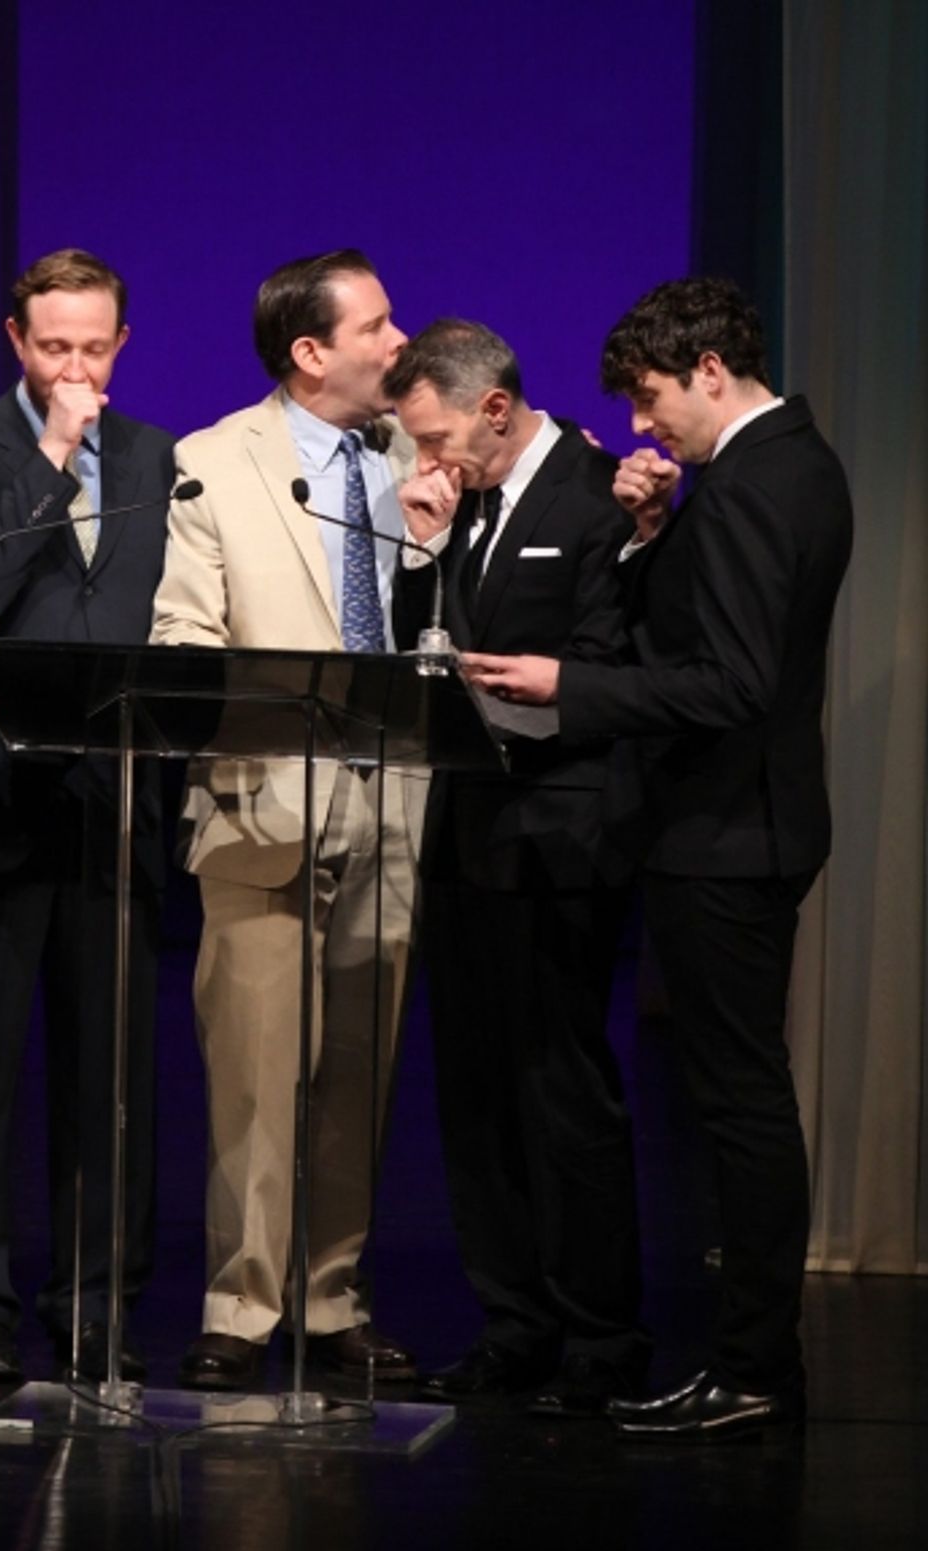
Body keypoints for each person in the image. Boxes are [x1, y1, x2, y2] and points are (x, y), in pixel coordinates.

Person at [464, 277, 853, 1441]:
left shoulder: (747, 486)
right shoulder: (790, 464)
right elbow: (711, 635)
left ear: (709, 372)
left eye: (648, 399)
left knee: (737, 1104)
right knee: (737, 1098)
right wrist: (644, 535)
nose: (641, 426)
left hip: (727, 834)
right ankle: (750, 1362)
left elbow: (727, 682)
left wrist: (565, 684)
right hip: (743, 827)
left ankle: (753, 1369)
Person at [151, 249, 426, 1391]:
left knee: (357, 1070)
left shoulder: (422, 452)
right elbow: (180, 641)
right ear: (311, 352)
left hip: (392, 799)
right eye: (377, 321)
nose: (398, 338)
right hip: (263, 798)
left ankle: (328, 1295)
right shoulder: (213, 461)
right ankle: (239, 1304)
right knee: (260, 1073)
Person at [0, 249, 177, 1385]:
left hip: (110, 800)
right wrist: (53, 451)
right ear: (17, 343)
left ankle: (95, 1299)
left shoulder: (160, 456)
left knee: (108, 1073)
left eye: (95, 346)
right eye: (54, 346)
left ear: (121, 344)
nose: (76, 367)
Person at [386, 319, 648, 1417]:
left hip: (560, 834)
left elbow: (608, 662)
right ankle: (513, 1321)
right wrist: (423, 551)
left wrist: (535, 691)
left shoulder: (599, 492)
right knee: (476, 1093)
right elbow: (418, 663)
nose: (427, 462)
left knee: (558, 1090)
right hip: (466, 835)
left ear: (493, 407)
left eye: (438, 437)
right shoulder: (462, 504)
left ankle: (598, 1336)